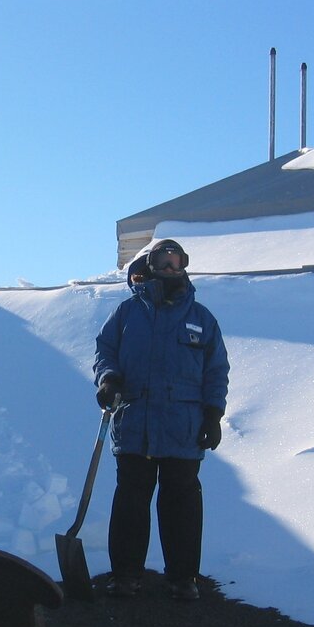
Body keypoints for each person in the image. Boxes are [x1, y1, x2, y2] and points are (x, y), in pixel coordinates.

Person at [93, 239, 229, 600]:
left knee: (182, 504)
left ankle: (183, 579)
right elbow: (105, 351)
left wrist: (213, 414)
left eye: (176, 261)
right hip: (135, 421)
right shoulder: (127, 313)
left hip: (182, 427)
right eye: (162, 260)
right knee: (131, 503)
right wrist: (108, 379)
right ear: (148, 265)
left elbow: (216, 370)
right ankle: (125, 576)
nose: (170, 267)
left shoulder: (201, 318)